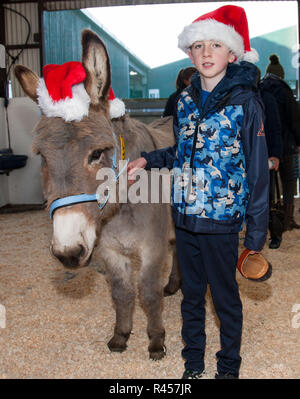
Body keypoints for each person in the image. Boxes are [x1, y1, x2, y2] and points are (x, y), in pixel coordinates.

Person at [127, 5, 269, 379]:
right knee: (191, 296)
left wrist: (256, 234)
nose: (207, 53)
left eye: (216, 45)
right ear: (190, 53)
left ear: (232, 53)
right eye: (199, 46)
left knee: (223, 298)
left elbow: (257, 172)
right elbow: (183, 153)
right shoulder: (186, 102)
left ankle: (228, 367)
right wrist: (148, 160)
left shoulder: (246, 103)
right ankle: (193, 364)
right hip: (186, 217)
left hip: (221, 221)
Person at [259, 72, 300, 231]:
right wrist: (298, 141)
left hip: (267, 144)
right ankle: (288, 219)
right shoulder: (284, 90)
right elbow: (294, 118)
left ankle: (270, 219)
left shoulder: (261, 91)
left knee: (268, 182)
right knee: (288, 180)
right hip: (286, 142)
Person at [256, 68, 283, 248]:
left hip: (265, 154)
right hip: (249, 155)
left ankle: (275, 234)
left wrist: (275, 154)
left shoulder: (266, 97)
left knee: (269, 198)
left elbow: (274, 127)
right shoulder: (238, 97)